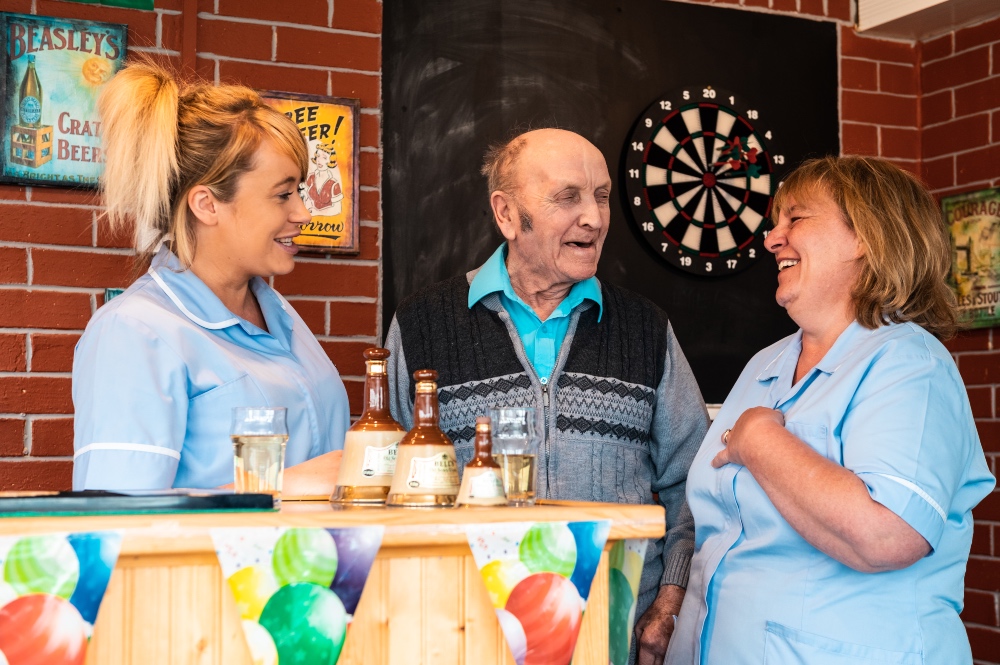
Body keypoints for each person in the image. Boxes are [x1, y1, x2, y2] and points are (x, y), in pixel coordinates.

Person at [385, 128, 709, 663]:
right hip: (467, 636)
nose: (596, 218)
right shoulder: (423, 326)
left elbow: (693, 487)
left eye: (602, 196)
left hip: (615, 636)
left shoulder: (645, 329)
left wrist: (669, 604)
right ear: (507, 214)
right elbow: (391, 497)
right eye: (568, 197)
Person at [665, 156, 995, 665]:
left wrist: (760, 442)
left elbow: (886, 534)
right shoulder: (764, 365)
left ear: (867, 235)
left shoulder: (911, 363)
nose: (772, 239)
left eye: (795, 219)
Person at [72, 61, 350, 492]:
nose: (303, 213)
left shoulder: (280, 316)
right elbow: (117, 522)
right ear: (206, 205)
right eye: (283, 194)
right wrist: (292, 486)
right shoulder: (133, 332)